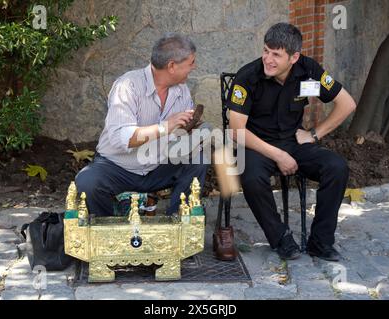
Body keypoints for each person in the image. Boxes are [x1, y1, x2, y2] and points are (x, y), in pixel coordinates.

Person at [227, 23, 356, 261]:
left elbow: (347, 103)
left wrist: (315, 134)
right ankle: (281, 238)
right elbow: (236, 131)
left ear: (294, 57)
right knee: (251, 177)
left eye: (276, 54)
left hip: (294, 141)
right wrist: (278, 155)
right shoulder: (248, 77)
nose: (268, 59)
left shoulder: (308, 70)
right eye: (266, 51)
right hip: (256, 144)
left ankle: (321, 242)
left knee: (336, 167)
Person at [76, 33, 209, 217]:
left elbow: (177, 136)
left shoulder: (181, 90)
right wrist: (165, 127)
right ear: (172, 66)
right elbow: (122, 138)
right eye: (191, 62)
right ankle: (108, 228)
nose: (194, 67)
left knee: (198, 158)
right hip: (117, 167)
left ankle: (179, 222)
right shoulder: (128, 85)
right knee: (86, 181)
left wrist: (194, 131)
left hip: (156, 167)